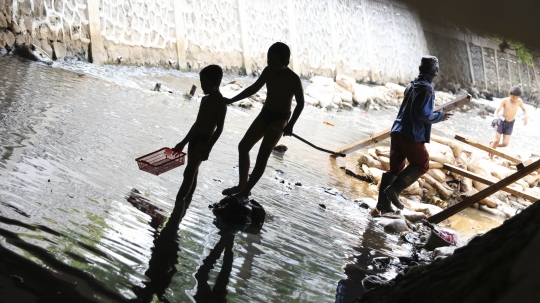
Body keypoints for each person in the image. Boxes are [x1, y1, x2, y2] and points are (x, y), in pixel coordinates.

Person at [220, 42, 305, 206]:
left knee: (262, 156)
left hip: (280, 118)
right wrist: (231, 100)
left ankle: (244, 193)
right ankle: (242, 185)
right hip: (266, 113)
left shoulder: (293, 79)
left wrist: (290, 125)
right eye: (268, 61)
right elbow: (253, 89)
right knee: (243, 146)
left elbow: (300, 104)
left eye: (274, 62)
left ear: (286, 62)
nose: (270, 65)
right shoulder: (268, 71)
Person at [376, 56, 452, 214]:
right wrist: (440, 116)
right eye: (436, 68)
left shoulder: (412, 85)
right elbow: (422, 115)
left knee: (395, 169)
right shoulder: (426, 89)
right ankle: (394, 190)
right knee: (422, 164)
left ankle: (382, 205)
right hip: (411, 134)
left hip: (397, 130)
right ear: (435, 71)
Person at [172, 65, 227, 216]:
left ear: (216, 83)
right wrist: (183, 142)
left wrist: (208, 148)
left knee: (188, 172)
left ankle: (178, 202)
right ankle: (186, 203)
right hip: (194, 139)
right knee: (193, 173)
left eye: (205, 83)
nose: (202, 86)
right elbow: (196, 124)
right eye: (201, 82)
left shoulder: (221, 104)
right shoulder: (204, 100)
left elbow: (219, 129)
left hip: (204, 141)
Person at [489, 86, 528, 159]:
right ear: (510, 94)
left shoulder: (519, 101)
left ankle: (492, 145)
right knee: (497, 140)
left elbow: (524, 109)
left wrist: (525, 116)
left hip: (510, 124)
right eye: (513, 97)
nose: (515, 99)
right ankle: (491, 158)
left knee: (505, 144)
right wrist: (495, 118)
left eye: (517, 98)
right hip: (501, 121)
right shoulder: (505, 100)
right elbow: (497, 110)